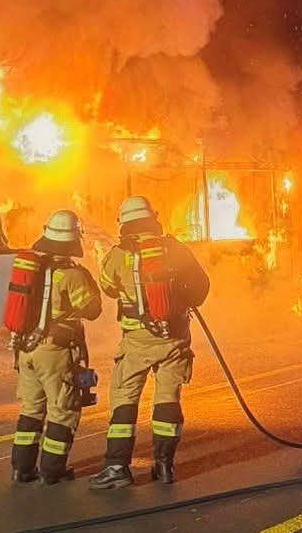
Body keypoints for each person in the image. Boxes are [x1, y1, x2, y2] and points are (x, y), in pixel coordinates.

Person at [89, 196, 210, 489]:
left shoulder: (119, 255)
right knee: (168, 399)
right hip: (175, 338)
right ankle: (164, 466)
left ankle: (118, 467)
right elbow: (201, 286)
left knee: (124, 400)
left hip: (137, 342)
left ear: (124, 223)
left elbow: (107, 287)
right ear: (152, 218)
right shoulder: (175, 248)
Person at [8, 210, 102, 485]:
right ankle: (52, 470)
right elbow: (92, 309)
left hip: (26, 349)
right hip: (55, 352)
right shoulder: (71, 274)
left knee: (31, 410)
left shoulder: (32, 269)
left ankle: (21, 469)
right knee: (63, 410)